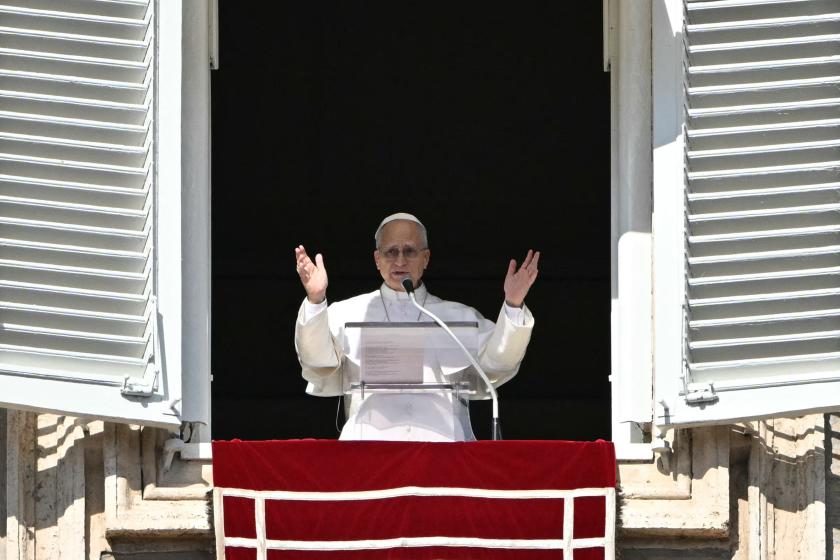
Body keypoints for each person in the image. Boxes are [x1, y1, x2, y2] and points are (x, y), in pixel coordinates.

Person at [294, 212, 539, 441]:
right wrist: (316, 300)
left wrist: (513, 304)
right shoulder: (346, 313)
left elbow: (499, 363)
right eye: (391, 252)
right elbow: (318, 362)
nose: (400, 260)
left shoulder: (456, 316)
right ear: (377, 260)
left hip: (442, 447)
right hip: (368, 447)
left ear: (426, 258)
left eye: (409, 251)